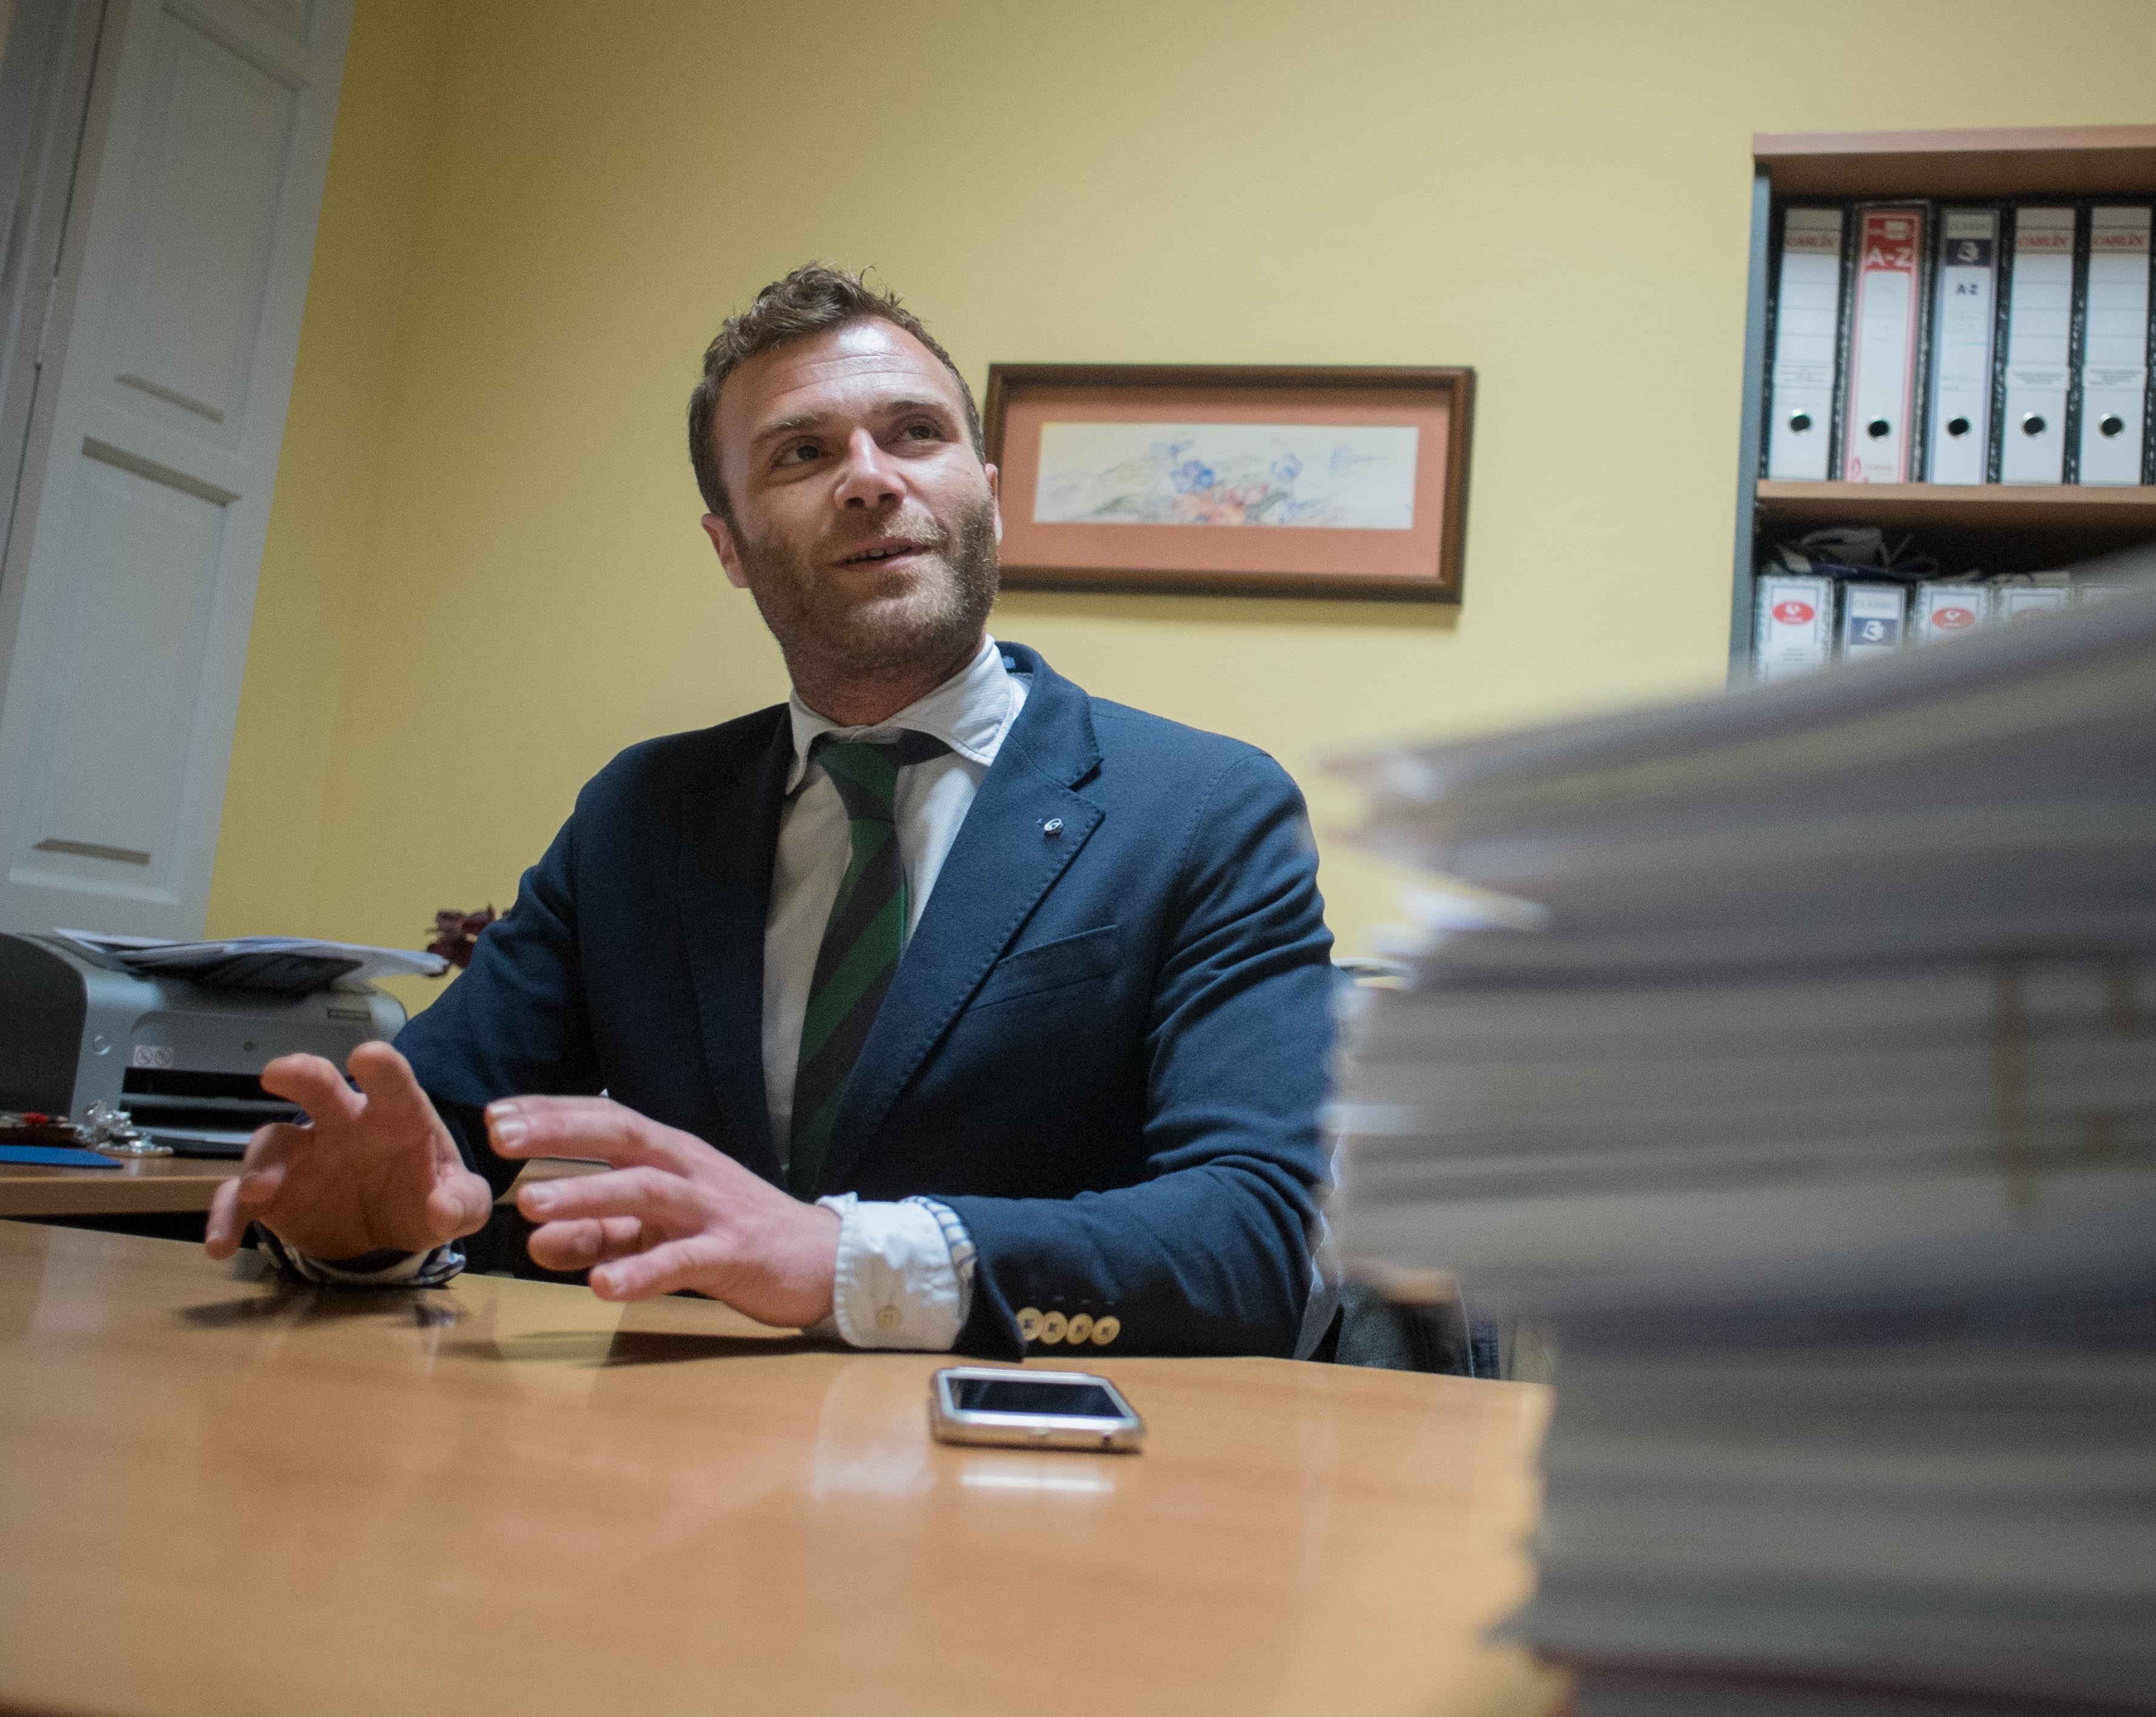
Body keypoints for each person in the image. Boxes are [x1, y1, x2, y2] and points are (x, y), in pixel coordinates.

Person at [204, 264, 1339, 1359]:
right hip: (683, 1465)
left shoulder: (1207, 810)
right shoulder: (641, 816)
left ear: (987, 491)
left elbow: (1248, 1241)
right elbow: (434, 1140)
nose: (868, 476)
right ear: (729, 546)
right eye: (802, 452)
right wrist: (362, 1236)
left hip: (1047, 1480)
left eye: (915, 433)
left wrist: (842, 1255)